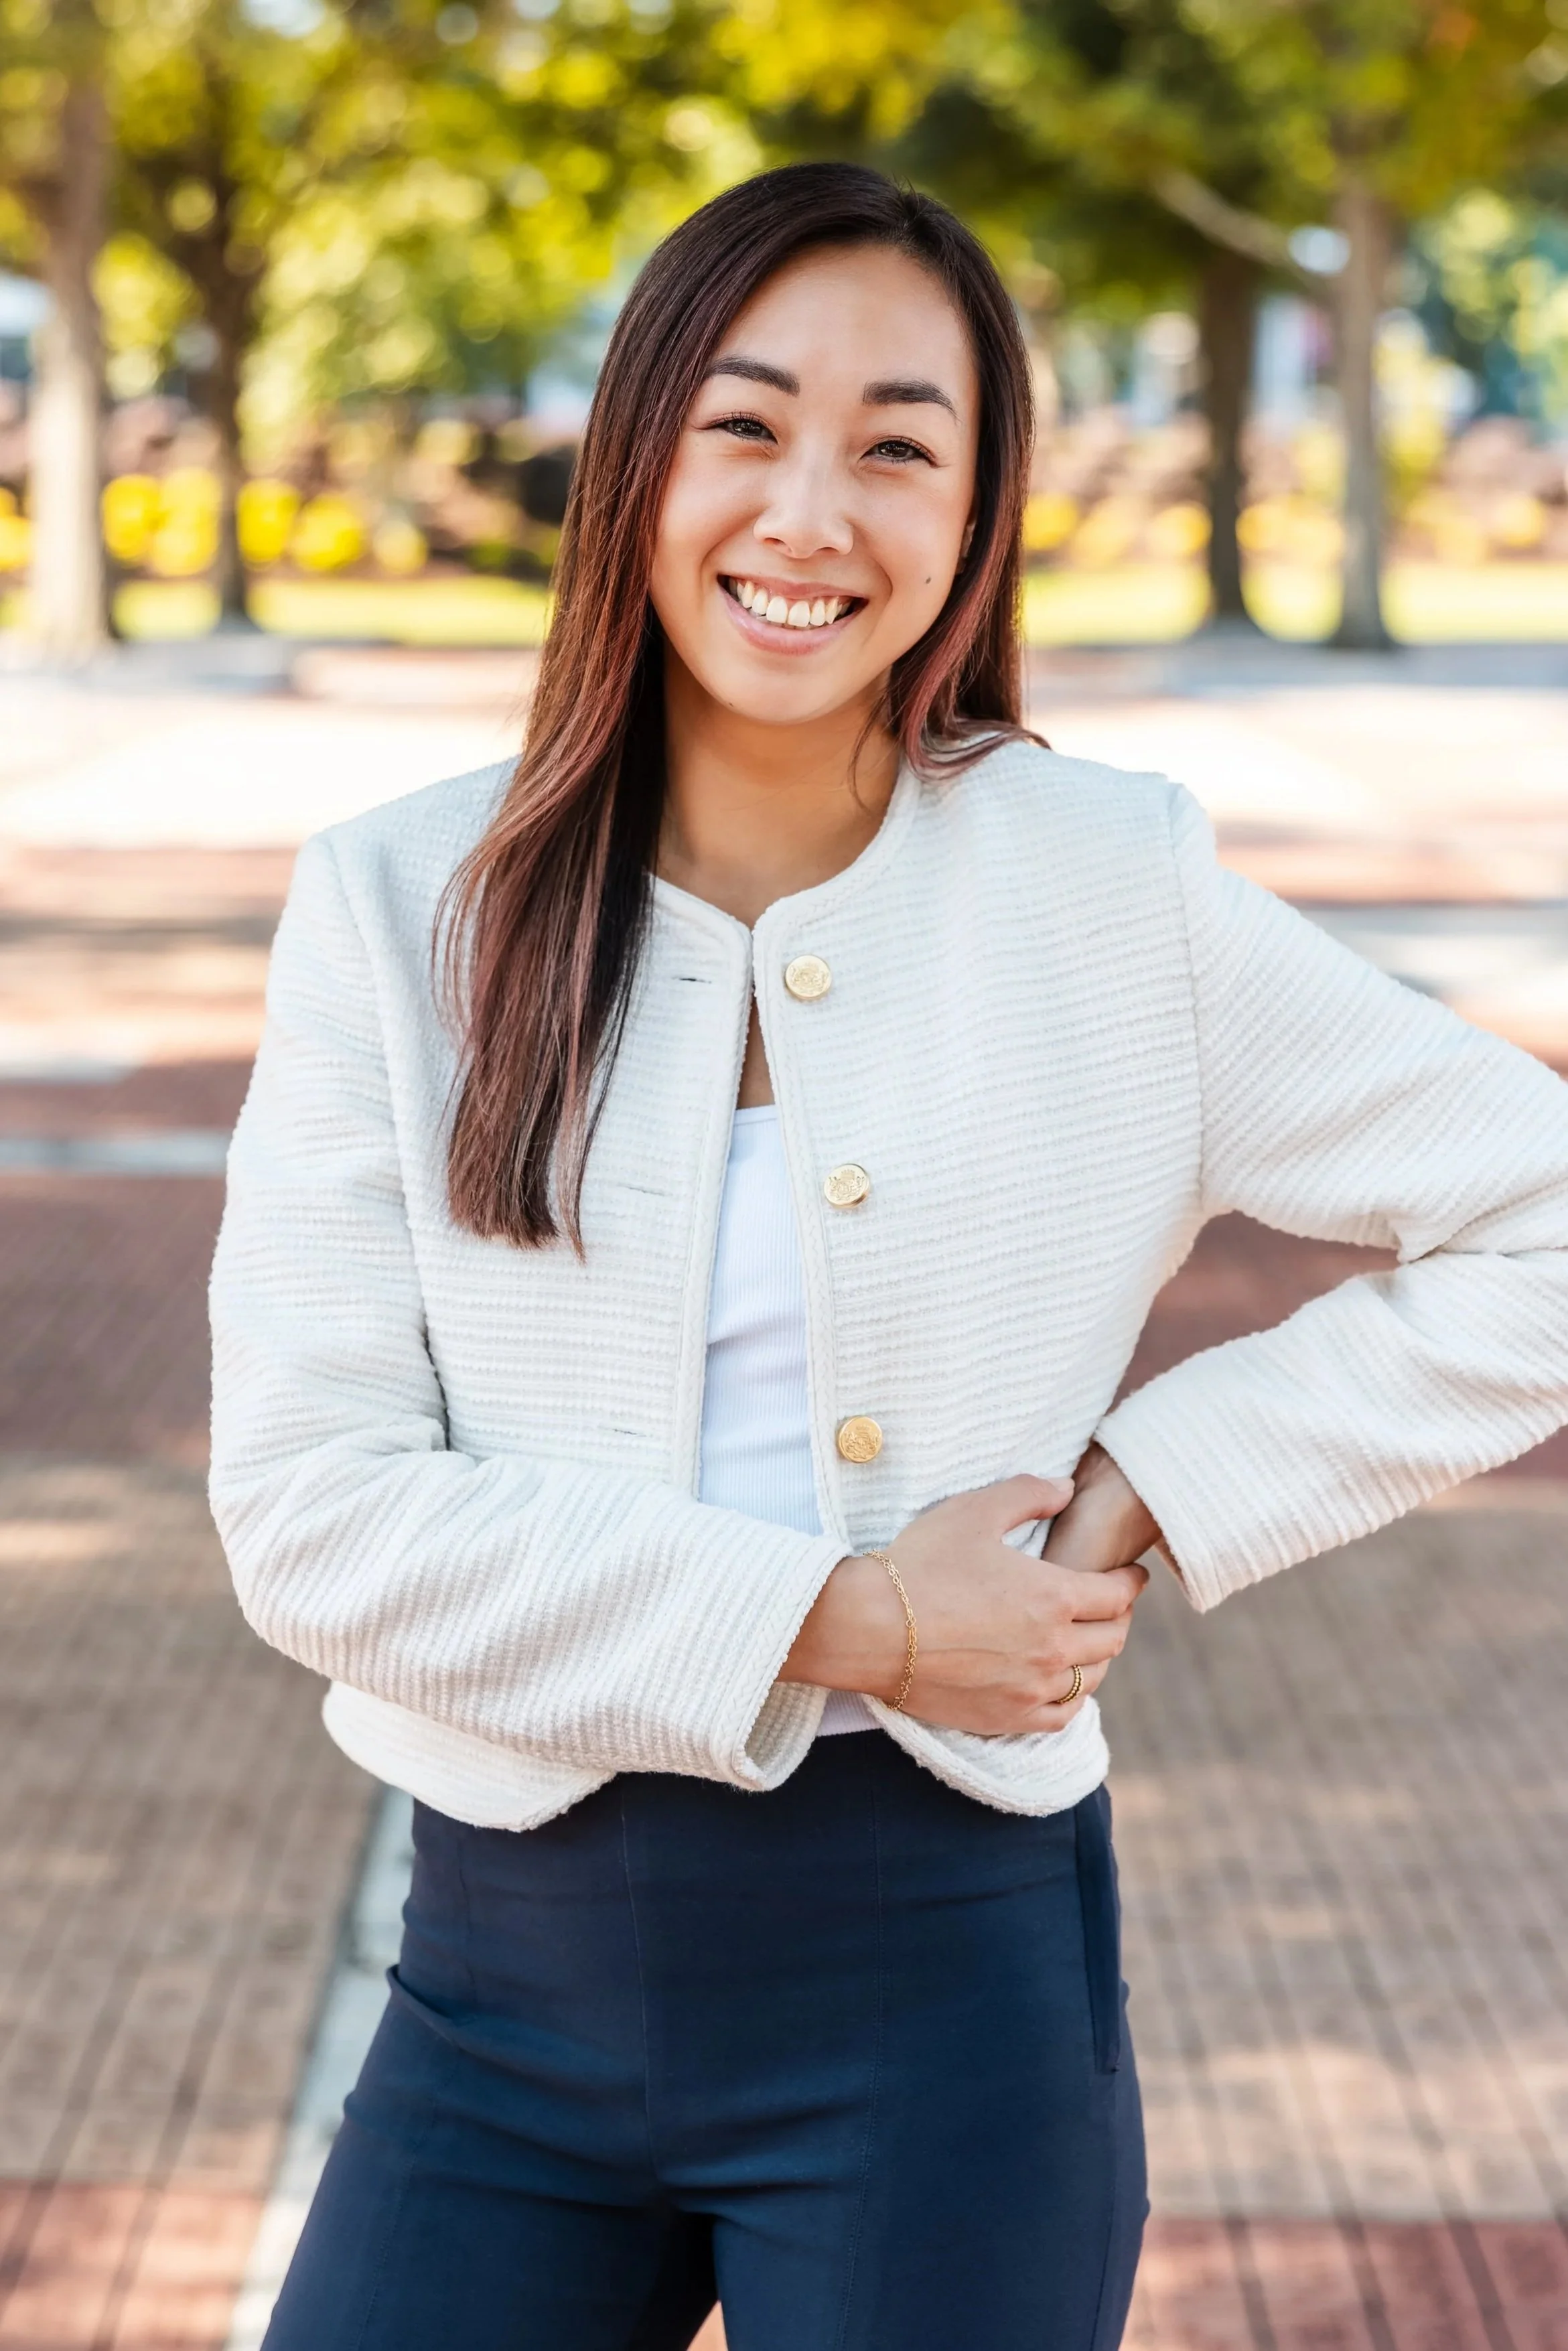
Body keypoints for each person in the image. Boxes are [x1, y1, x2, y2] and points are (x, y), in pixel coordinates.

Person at [208, 161, 1568, 2351]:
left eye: (897, 448)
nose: (808, 513)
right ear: (637, 447)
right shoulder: (401, 905)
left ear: (976, 513)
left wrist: (1154, 1490)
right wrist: (858, 1619)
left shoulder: (1106, 886)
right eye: (743, 425)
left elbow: (1545, 1216)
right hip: (494, 2001)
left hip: (938, 1999)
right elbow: (308, 1513)